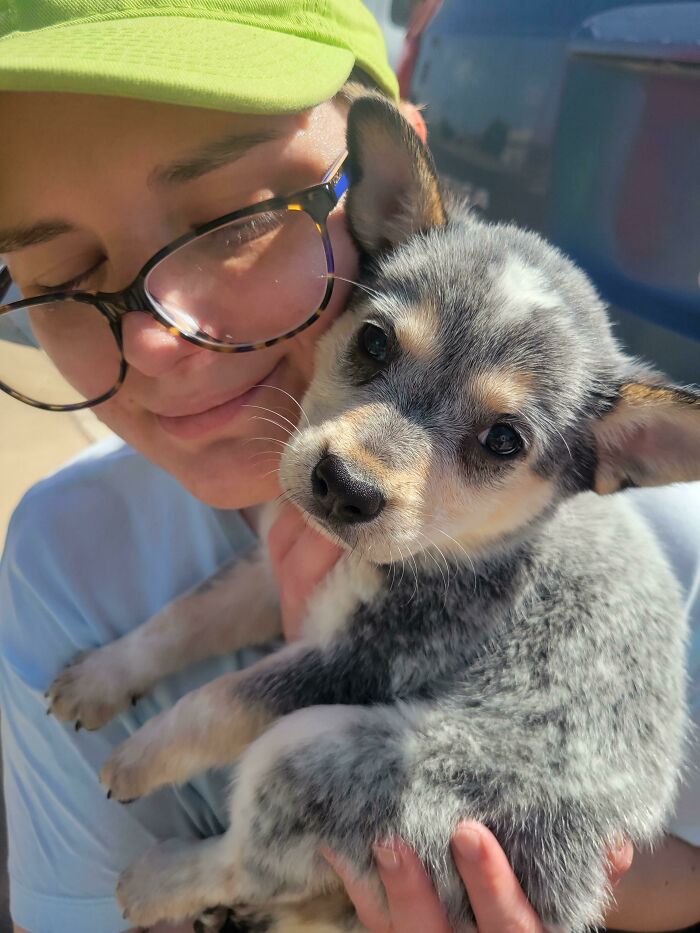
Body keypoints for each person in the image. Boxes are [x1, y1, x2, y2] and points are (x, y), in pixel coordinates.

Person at [0, 3, 698, 932]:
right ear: (385, 231)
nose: (158, 340)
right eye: (61, 272)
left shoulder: (672, 557)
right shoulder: (58, 566)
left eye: (236, 220)